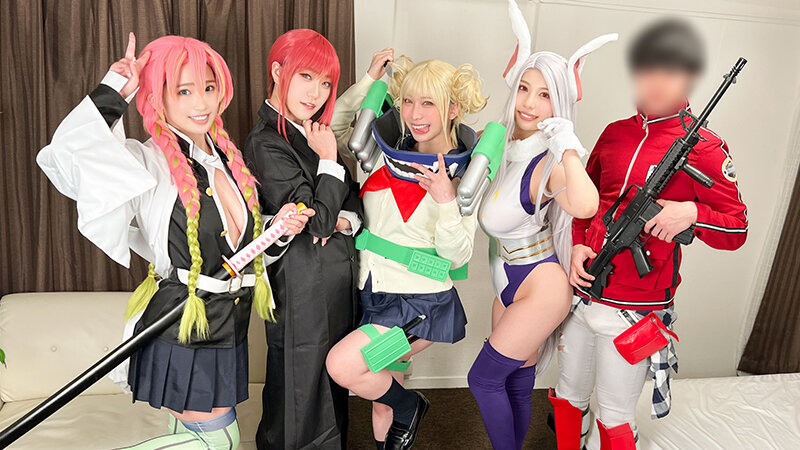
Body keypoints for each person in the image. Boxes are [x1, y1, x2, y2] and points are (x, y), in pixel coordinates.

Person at [37, 34, 310, 449]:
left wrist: (279, 228)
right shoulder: (147, 162)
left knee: (195, 436)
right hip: (181, 324)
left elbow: (244, 254)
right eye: (183, 91)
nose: (201, 102)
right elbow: (67, 157)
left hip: (229, 324)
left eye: (208, 87)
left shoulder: (228, 160)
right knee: (221, 441)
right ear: (157, 97)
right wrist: (115, 89)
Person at [553, 19, 748, 449]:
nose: (657, 82)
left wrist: (691, 213)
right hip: (584, 292)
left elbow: (737, 228)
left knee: (615, 417)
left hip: (637, 308)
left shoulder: (707, 148)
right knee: (566, 398)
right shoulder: (614, 133)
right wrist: (579, 243)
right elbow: (586, 202)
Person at [325, 55, 487, 450]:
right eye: (408, 101)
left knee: (344, 366)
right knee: (382, 396)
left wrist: (446, 202)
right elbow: (333, 128)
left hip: (418, 306)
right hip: (372, 293)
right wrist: (369, 81)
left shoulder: (464, 176)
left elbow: (458, 257)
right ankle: (401, 410)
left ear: (453, 109)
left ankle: (412, 406)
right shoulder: (383, 152)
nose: (414, 114)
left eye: (428, 103)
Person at [468, 2, 609, 449]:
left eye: (545, 94)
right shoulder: (499, 145)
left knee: (482, 379)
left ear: (559, 103)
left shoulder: (549, 163)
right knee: (513, 382)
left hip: (540, 284)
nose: (529, 103)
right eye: (525, 88)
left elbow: (585, 205)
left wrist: (567, 145)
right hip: (505, 277)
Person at [242, 29, 363, 450]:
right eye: (306, 77)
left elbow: (351, 201)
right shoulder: (265, 142)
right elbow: (317, 220)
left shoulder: (312, 131)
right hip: (300, 283)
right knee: (299, 387)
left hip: (332, 281)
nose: (317, 93)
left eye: (326, 83)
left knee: (331, 384)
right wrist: (328, 162)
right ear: (278, 71)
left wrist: (344, 220)